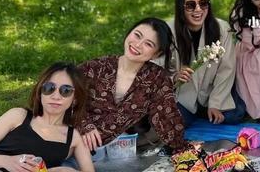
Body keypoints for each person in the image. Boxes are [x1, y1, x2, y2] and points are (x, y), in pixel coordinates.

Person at [77, 17, 187, 154]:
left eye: (148, 44)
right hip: (72, 140)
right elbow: (62, 95)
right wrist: (84, 125)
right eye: (137, 35)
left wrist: (183, 149)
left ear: (156, 54)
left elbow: (168, 117)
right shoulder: (95, 68)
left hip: (116, 151)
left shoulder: (156, 78)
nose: (138, 45)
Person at [165, 0, 246, 126]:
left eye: (203, 3)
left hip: (212, 90)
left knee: (234, 116)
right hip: (183, 94)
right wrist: (174, 76)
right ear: (180, 7)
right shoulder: (168, 31)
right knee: (175, 120)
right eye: (190, 5)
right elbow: (158, 67)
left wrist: (215, 103)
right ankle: (196, 113)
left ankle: (207, 110)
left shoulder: (222, 28)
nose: (198, 9)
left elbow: (226, 69)